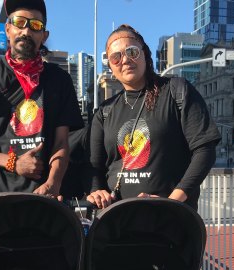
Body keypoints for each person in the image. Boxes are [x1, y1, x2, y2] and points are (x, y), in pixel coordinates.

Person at [0, 0, 83, 203]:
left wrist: (53, 183)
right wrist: (12, 163)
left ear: (44, 36)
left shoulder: (59, 79)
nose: (26, 31)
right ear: (8, 28)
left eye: (36, 25)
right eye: (20, 22)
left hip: (43, 198)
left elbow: (62, 142)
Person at [86, 25, 221, 210]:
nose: (125, 60)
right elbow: (95, 166)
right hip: (117, 221)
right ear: (110, 65)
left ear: (145, 54)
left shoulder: (176, 90)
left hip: (169, 220)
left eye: (131, 52)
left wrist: (172, 202)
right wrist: (97, 190)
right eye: (115, 57)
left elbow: (205, 149)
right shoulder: (104, 111)